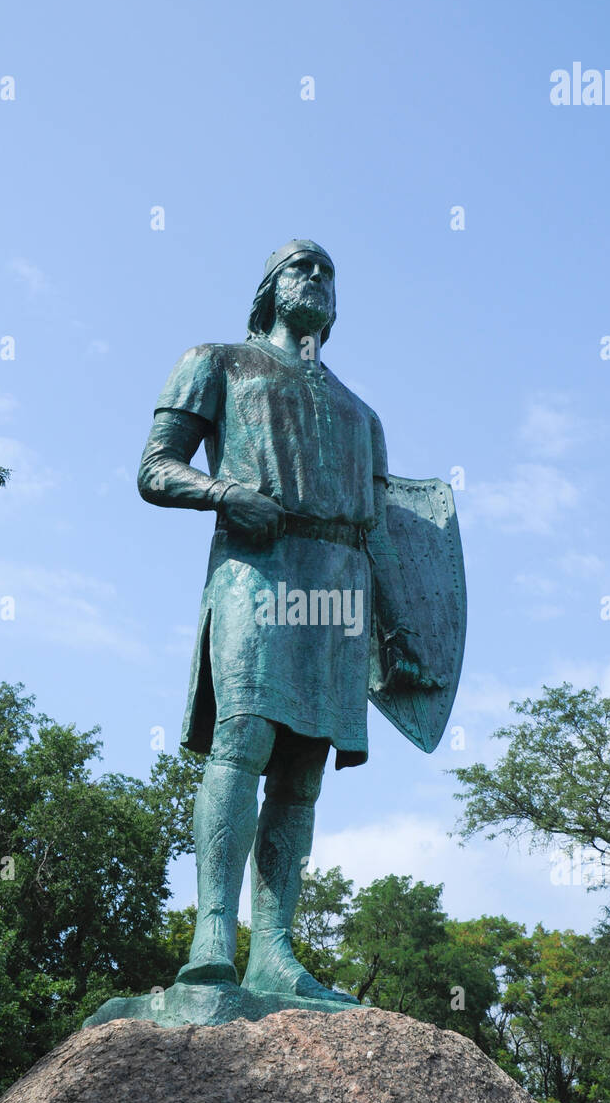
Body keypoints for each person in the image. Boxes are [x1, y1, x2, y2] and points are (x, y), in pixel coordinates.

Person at [138, 240, 434, 1001]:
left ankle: (272, 948)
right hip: (257, 568)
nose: (318, 280)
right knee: (243, 735)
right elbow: (154, 468)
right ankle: (212, 931)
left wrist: (398, 636)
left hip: (339, 581)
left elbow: (384, 538)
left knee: (302, 769)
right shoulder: (219, 361)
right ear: (270, 287)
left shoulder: (361, 415)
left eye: (329, 272)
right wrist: (223, 493)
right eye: (303, 267)